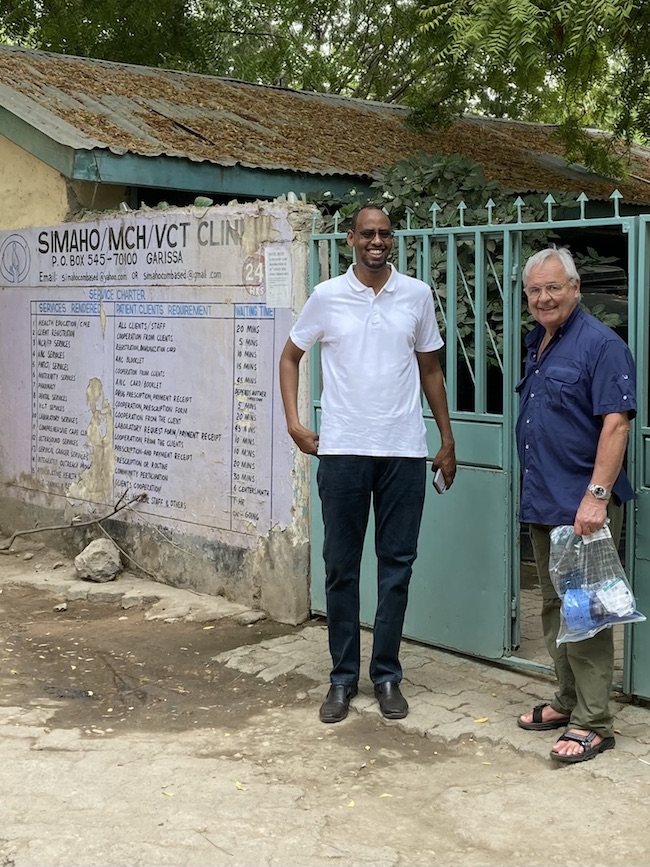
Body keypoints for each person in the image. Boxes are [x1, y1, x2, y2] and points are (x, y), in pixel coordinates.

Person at [279, 205, 456, 724]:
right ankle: (340, 680)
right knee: (341, 568)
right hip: (343, 451)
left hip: (403, 449)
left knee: (396, 568)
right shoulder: (327, 296)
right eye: (367, 234)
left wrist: (445, 438)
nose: (376, 241)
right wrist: (293, 421)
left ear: (391, 240)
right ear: (351, 239)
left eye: (384, 234)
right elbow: (290, 356)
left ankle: (386, 675)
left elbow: (431, 369)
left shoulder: (416, 295)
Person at [515, 247, 637, 763]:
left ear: (575, 287)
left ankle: (595, 722)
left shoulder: (602, 345)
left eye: (553, 288)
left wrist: (597, 497)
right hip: (544, 499)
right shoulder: (537, 341)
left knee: (586, 612)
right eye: (535, 291)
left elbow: (617, 423)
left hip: (581, 507)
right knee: (553, 606)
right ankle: (568, 699)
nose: (544, 298)